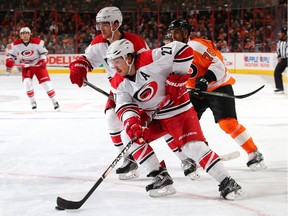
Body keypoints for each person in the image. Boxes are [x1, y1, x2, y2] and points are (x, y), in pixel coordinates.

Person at [69, 6, 199, 181]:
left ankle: (185, 159)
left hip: (142, 90)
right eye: (99, 24)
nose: (101, 28)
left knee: (162, 120)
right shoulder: (98, 42)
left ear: (116, 24)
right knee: (111, 118)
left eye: (105, 24)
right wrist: (79, 67)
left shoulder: (134, 42)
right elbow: (86, 59)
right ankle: (128, 159)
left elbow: (149, 68)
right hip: (120, 89)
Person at [107, 38, 243, 200]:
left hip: (178, 110)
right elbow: (124, 107)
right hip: (153, 115)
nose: (114, 67)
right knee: (128, 135)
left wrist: (177, 77)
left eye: (117, 61)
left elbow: (182, 49)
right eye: (110, 62)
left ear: (129, 58)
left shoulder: (150, 58)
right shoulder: (117, 81)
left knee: (192, 147)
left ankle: (227, 182)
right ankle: (160, 177)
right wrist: (133, 124)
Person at [167, 19, 266, 171]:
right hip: (195, 91)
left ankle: (254, 153)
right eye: (172, 33)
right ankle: (202, 153)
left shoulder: (197, 46)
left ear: (186, 33)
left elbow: (218, 64)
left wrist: (205, 80)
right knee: (187, 124)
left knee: (228, 123)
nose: (173, 36)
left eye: (177, 33)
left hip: (218, 86)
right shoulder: (172, 51)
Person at [5, 27, 60, 111]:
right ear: (20, 35)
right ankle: (33, 102)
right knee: (27, 83)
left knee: (46, 84)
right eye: (23, 33)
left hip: (38, 64)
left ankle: (54, 101)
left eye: (27, 33)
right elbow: (10, 55)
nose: (25, 35)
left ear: (29, 34)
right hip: (26, 66)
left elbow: (43, 53)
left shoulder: (38, 42)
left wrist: (43, 60)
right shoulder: (15, 44)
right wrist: (9, 60)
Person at [274, 27, 287, 94]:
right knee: (277, 72)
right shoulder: (280, 41)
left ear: (284, 33)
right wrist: (279, 55)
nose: (279, 34)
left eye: (281, 32)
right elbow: (278, 49)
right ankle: (280, 88)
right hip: (283, 59)